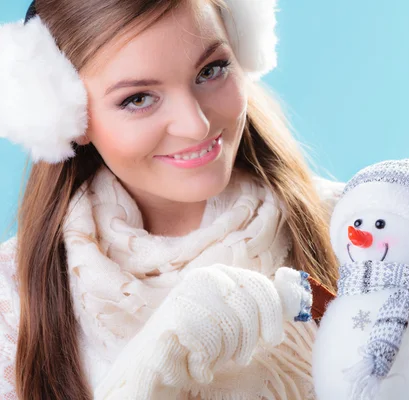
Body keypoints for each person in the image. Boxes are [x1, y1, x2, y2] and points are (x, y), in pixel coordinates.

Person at [0, 0, 344, 399]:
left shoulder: (363, 226)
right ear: (66, 115)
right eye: (139, 98)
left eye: (211, 70)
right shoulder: (11, 298)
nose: (196, 125)